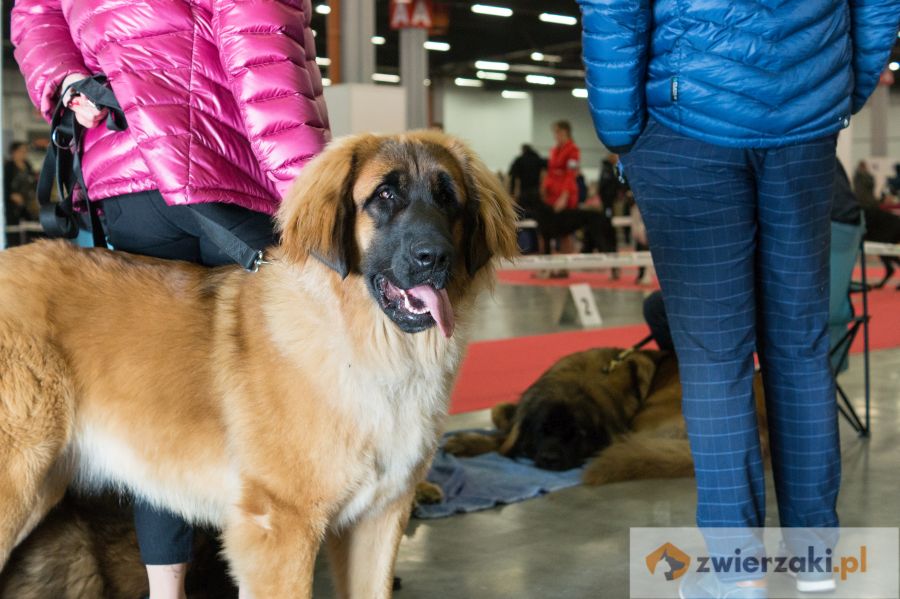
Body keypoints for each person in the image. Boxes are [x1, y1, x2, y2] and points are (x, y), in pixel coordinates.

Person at [579, 2, 898, 598]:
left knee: (714, 358)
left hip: (686, 119)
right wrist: (831, 91)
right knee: (801, 348)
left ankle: (736, 571)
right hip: (805, 124)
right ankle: (815, 558)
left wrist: (621, 131)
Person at [11, 1, 329, 597]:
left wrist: (66, 82)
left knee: (161, 406)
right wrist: (316, 197)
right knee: (290, 398)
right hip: (225, 168)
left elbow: (35, 15)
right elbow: (262, 51)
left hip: (125, 176)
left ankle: (167, 591)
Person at [4, 141, 38, 228]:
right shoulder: (8, 167)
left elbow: (33, 181)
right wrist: (11, 195)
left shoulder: (27, 165)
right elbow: (5, 185)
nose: (24, 153)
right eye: (22, 151)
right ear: (14, 152)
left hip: (28, 202)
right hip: (12, 204)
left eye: (26, 151)